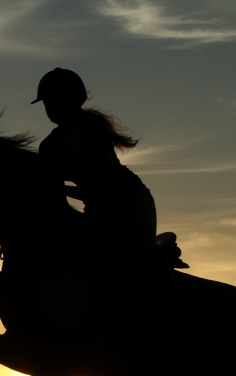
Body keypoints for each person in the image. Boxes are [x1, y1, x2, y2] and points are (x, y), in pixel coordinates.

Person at [32, 67, 157, 256]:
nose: (50, 106)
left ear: (73, 99)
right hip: (95, 211)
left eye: (55, 99)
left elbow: (107, 193)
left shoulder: (93, 133)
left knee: (136, 260)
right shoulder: (48, 145)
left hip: (132, 207)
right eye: (47, 101)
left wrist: (59, 189)